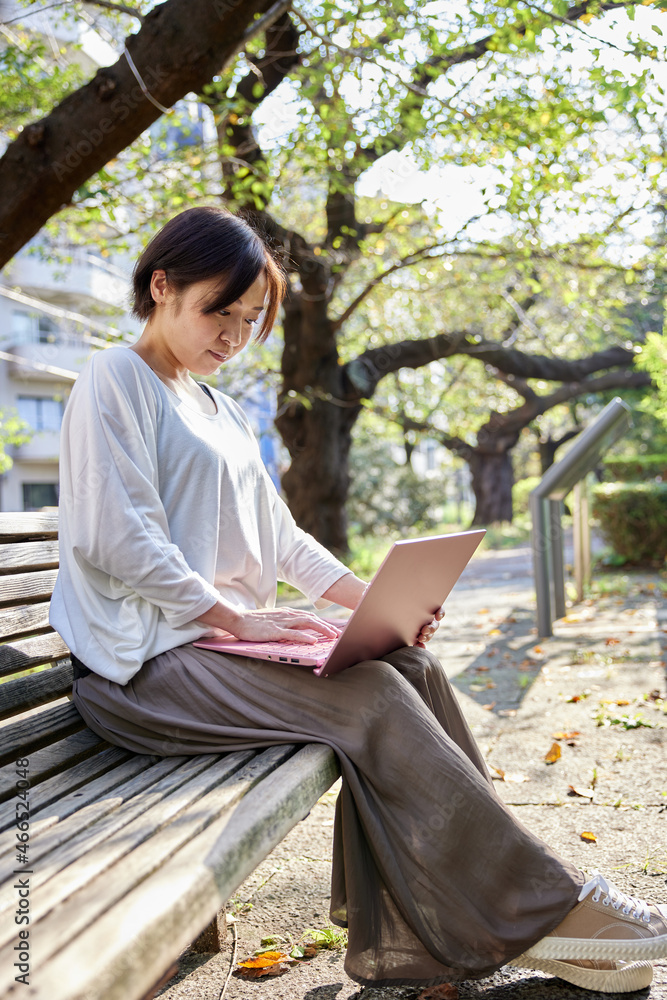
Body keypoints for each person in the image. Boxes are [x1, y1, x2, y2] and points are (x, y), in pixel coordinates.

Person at [51, 206, 667, 995]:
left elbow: (282, 543)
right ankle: (546, 911)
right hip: (143, 672)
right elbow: (117, 537)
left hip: (214, 653)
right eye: (218, 311)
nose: (234, 336)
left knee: (408, 665)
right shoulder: (115, 379)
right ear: (161, 285)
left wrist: (373, 600)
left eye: (249, 319)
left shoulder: (222, 411)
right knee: (370, 697)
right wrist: (237, 618)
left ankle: (471, 919)